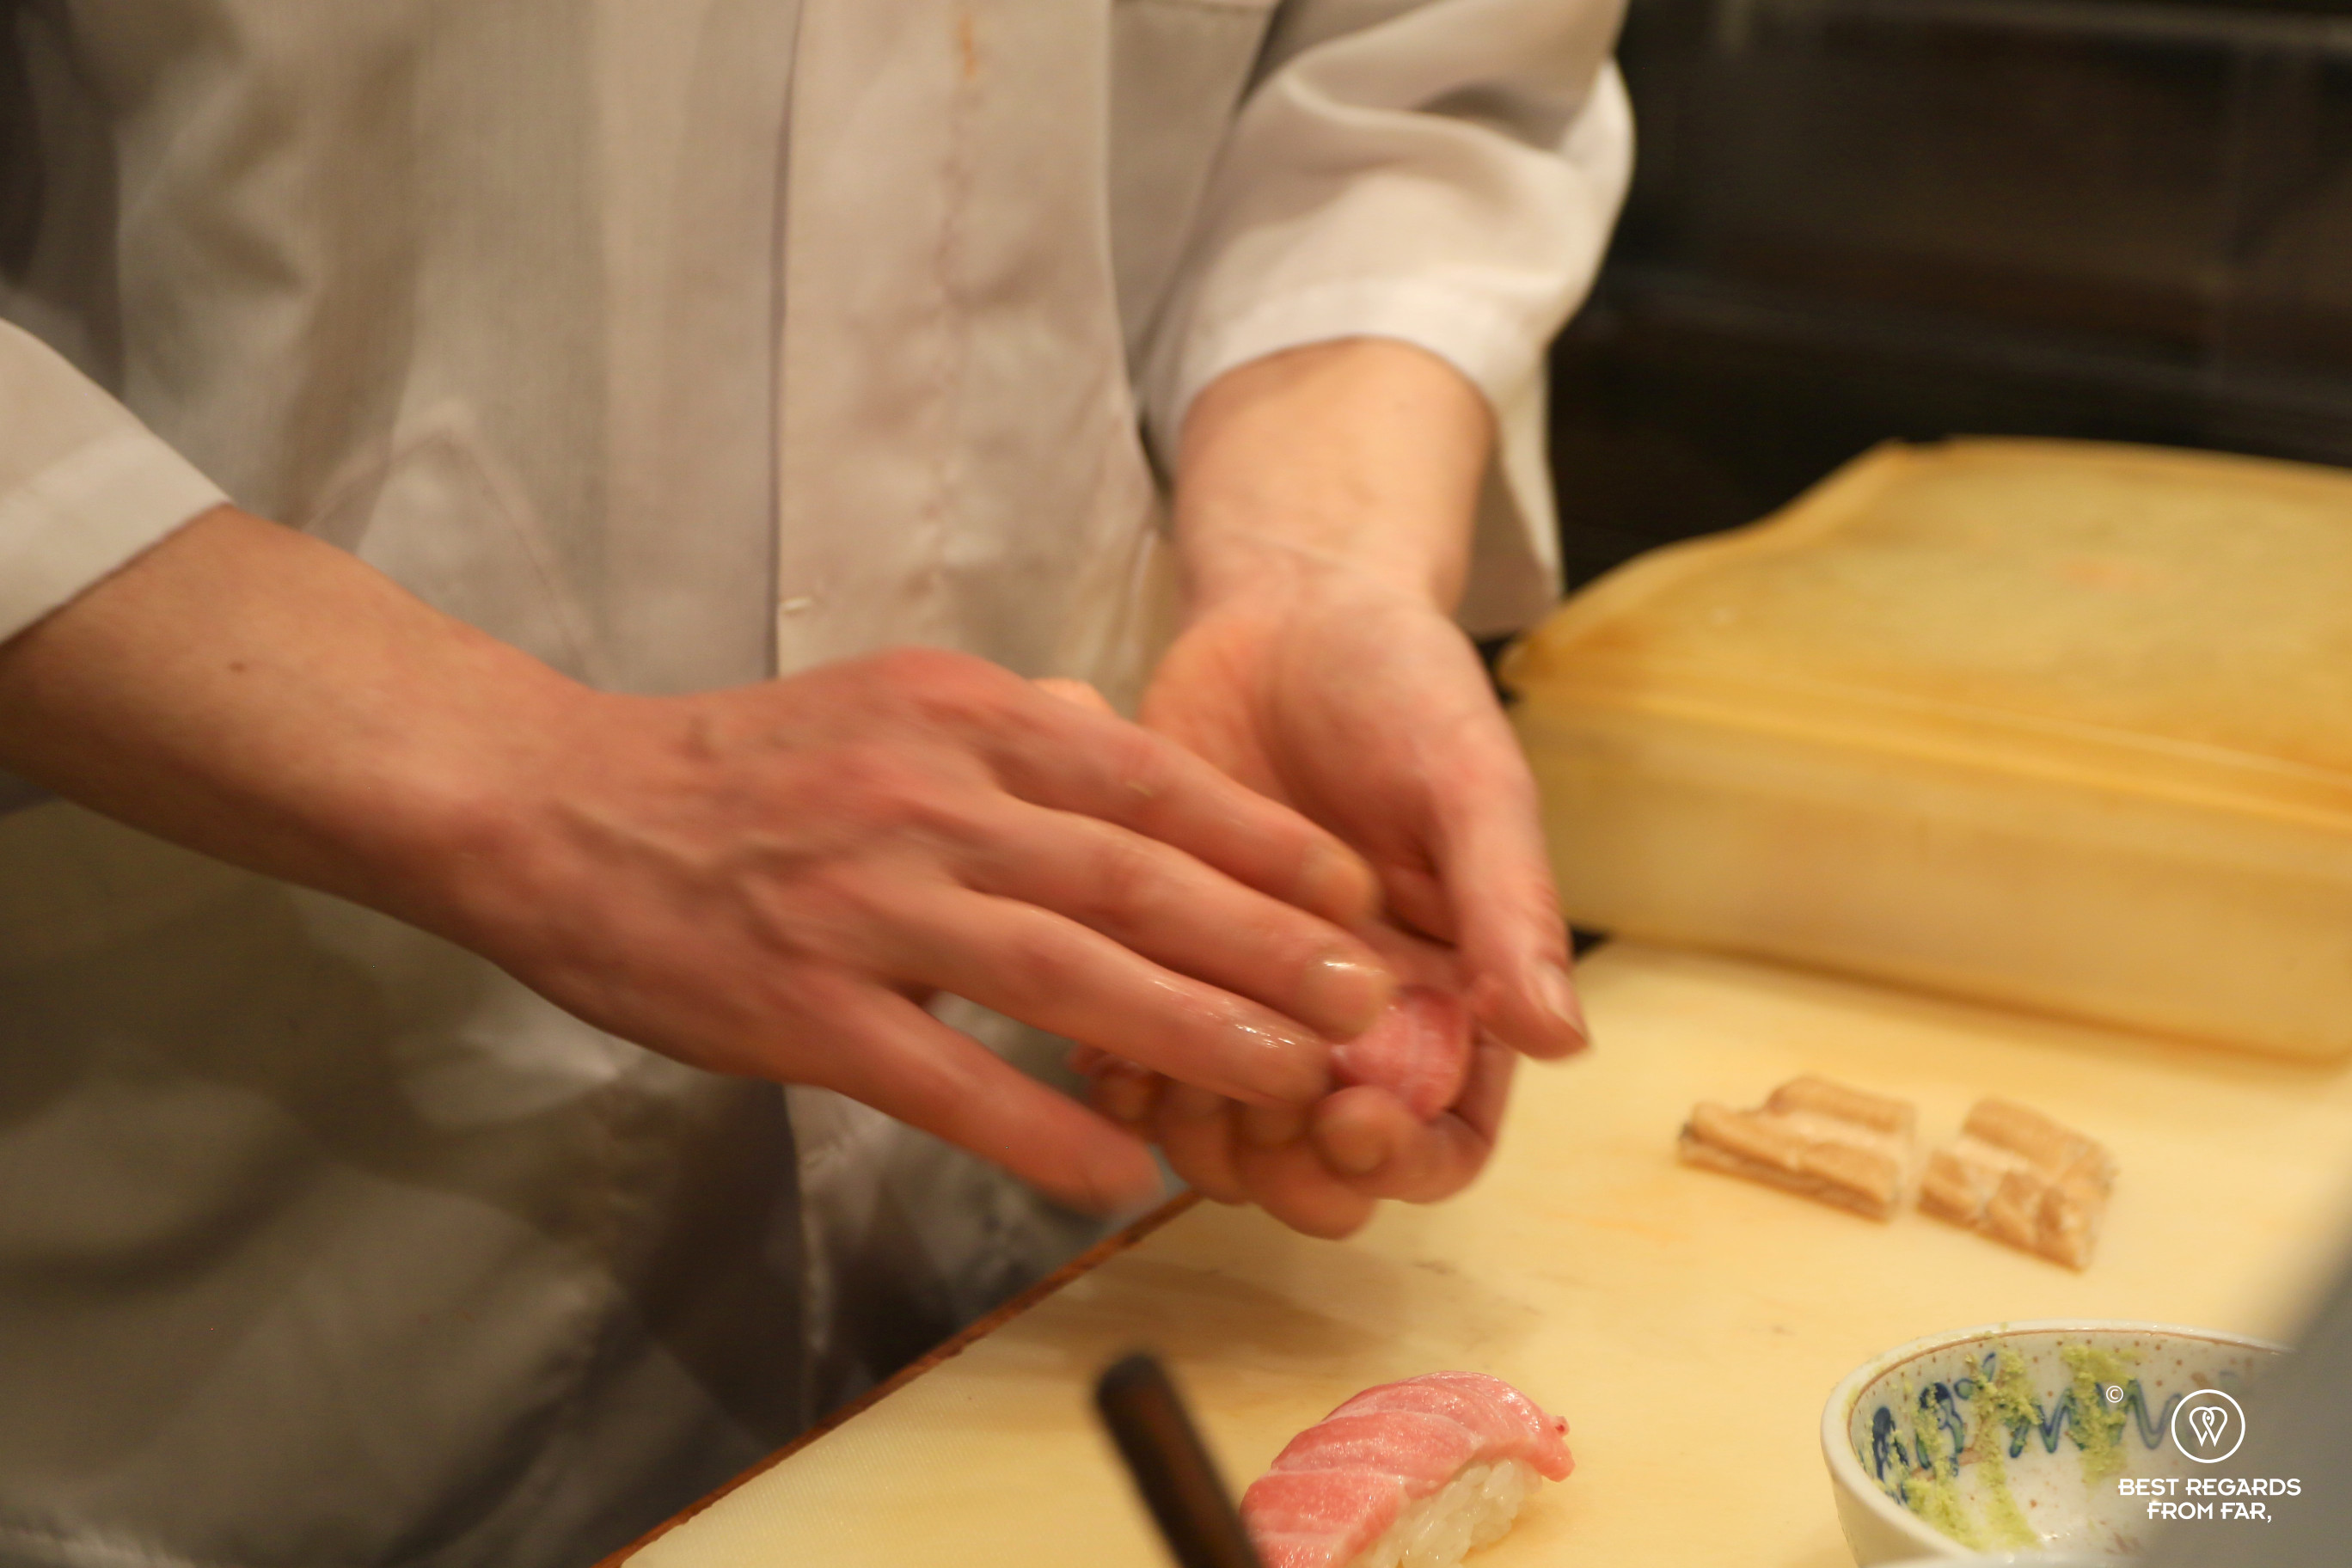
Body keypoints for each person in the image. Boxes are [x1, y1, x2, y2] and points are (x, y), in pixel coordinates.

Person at [0, 2, 1630, 1563]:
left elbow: (1418, 77)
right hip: (218, 1296)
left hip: (1043, 1291)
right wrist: (524, 777)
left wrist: (1311, 564)